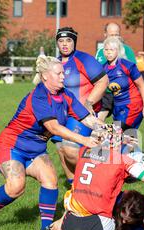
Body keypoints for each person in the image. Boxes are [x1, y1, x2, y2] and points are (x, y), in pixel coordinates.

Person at [0, 56, 105, 230]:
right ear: (45, 76)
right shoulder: (39, 96)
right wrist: (84, 140)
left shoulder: (65, 95)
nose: (63, 77)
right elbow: (53, 127)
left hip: (36, 150)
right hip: (12, 146)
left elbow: (87, 118)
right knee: (16, 187)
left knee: (51, 181)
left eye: (63, 73)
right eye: (58, 73)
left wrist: (106, 129)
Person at [49, 124, 144, 230]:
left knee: (86, 193)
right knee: (127, 210)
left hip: (69, 227)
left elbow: (75, 190)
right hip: (98, 229)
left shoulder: (83, 152)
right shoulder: (121, 159)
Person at [52, 27, 109, 185]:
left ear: (74, 42)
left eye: (68, 40)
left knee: (69, 148)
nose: (64, 44)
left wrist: (89, 102)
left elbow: (103, 81)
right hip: (60, 115)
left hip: (81, 115)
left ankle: (100, 179)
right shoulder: (55, 63)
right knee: (61, 151)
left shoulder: (84, 59)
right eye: (61, 41)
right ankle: (75, 190)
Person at [103, 37, 144, 131]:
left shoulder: (127, 65)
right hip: (117, 107)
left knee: (114, 133)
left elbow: (141, 85)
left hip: (132, 106)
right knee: (126, 141)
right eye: (106, 49)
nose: (108, 52)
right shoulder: (102, 69)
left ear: (117, 51)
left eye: (111, 50)